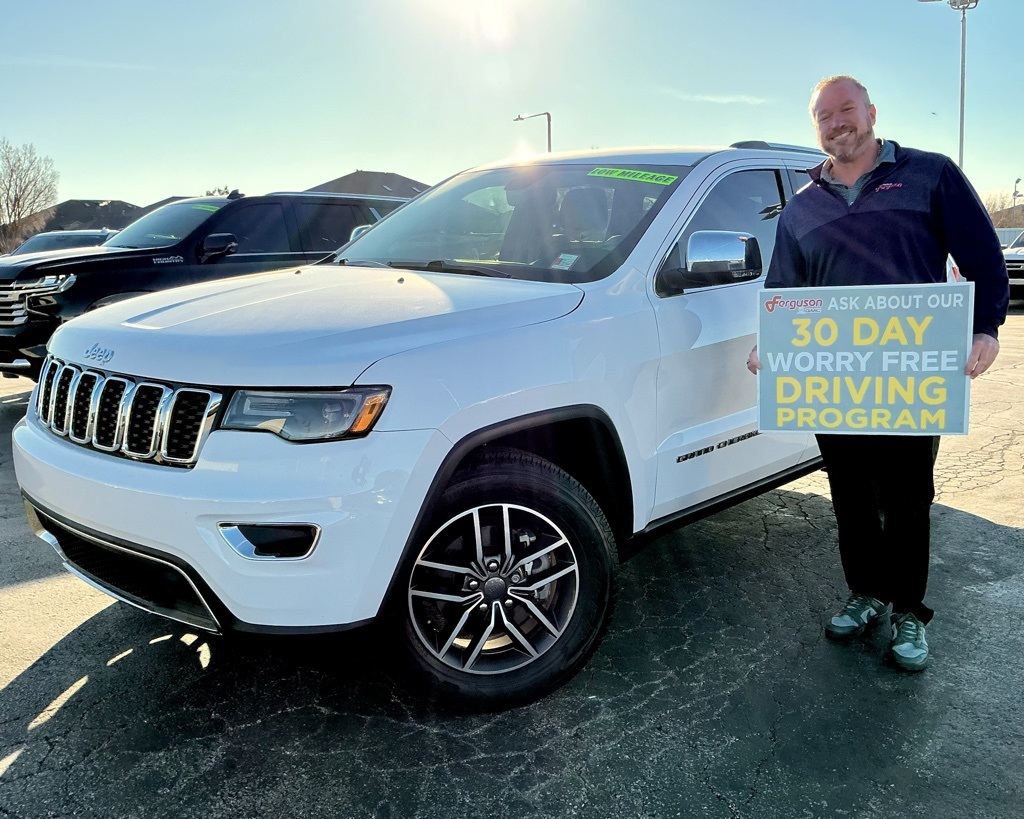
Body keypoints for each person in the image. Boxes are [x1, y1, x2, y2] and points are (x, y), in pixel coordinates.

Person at [747, 75, 1009, 672]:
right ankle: (866, 593)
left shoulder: (930, 174)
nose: (836, 123)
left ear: (871, 112)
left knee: (909, 498)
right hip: (836, 384)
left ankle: (910, 613)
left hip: (910, 380)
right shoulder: (802, 209)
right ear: (815, 127)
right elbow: (784, 292)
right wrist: (775, 349)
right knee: (852, 497)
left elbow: (984, 257)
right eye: (823, 116)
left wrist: (986, 328)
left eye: (846, 110)